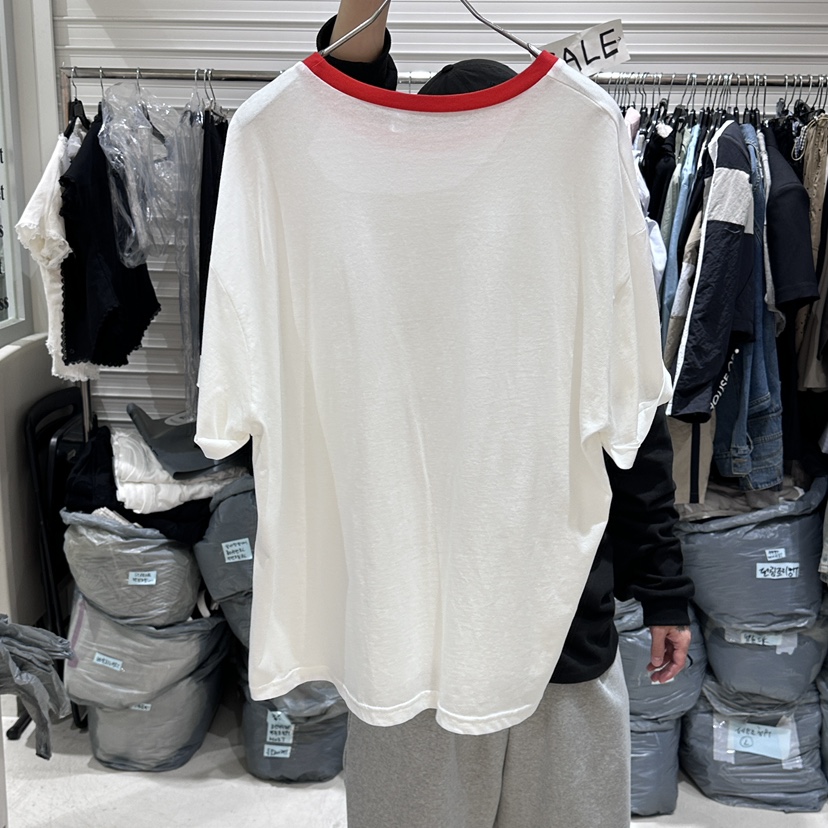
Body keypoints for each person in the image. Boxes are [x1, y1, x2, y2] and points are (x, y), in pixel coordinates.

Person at [318, 4, 694, 827]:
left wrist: (666, 589)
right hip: (415, 643)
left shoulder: (577, 261)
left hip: (556, 636)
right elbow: (337, 114)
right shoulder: (373, 267)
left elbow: (636, 433)